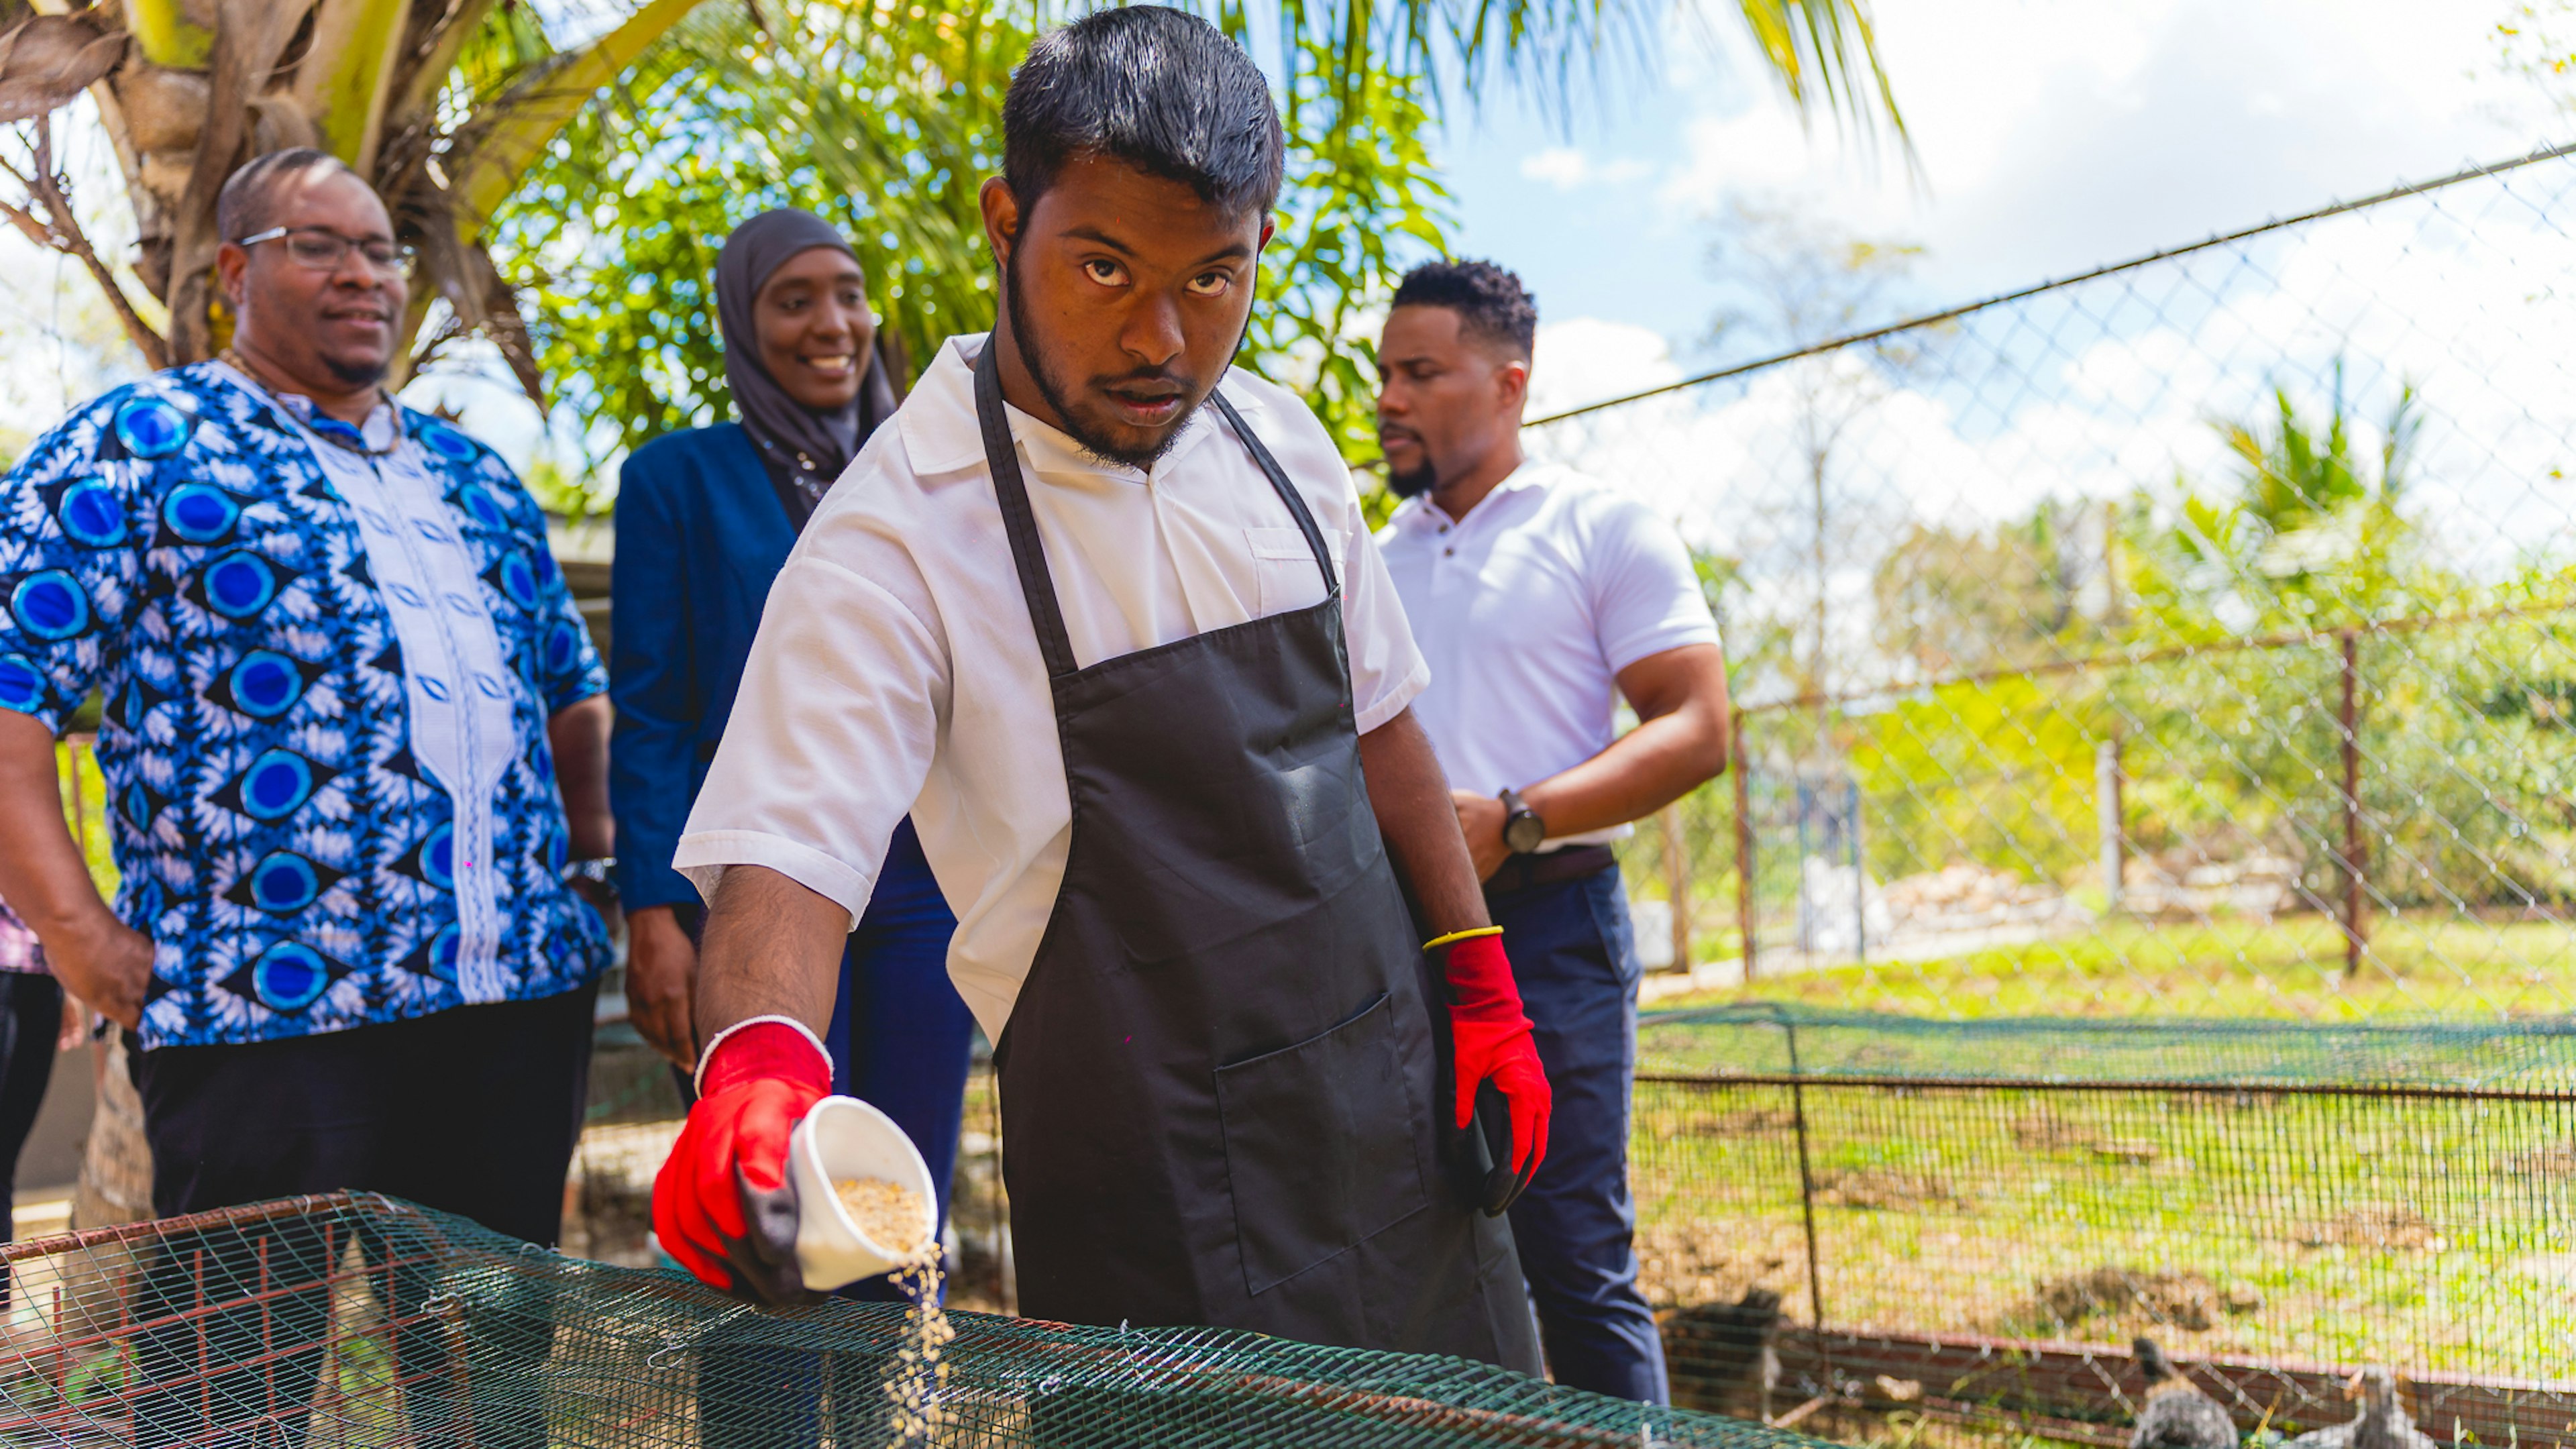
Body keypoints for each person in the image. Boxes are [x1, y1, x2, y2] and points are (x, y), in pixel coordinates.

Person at [652, 5, 1548, 1373]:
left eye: (1214, 279)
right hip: (1155, 1176)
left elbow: (1382, 723)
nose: (1163, 340)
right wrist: (761, 1073)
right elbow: (789, 857)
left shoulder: (1280, 443)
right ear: (1008, 222)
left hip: (1393, 1095)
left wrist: (1476, 971)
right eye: (1107, 267)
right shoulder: (897, 530)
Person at [0, 148, 611, 1445]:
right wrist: (72, 929)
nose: (362, 275)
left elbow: (573, 687)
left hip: (512, 1009)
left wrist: (596, 868)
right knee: (234, 1395)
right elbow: (9, 692)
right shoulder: (141, 443)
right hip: (265, 1018)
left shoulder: (477, 475)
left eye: (382, 251)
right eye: (319, 245)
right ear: (235, 270)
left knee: (492, 1393)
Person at [610, 209, 973, 1448]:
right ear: (744, 322)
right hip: (751, 884)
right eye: (793, 300)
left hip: (922, 885)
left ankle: (886, 1433)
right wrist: (653, 908)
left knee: (892, 1193)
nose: (830, 323)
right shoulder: (677, 480)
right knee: (764, 1199)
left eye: (848, 293)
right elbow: (652, 705)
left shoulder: (933, 470)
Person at [1373, 259, 1732, 1403]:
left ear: (1509, 383)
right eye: (1385, 372)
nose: (1390, 397)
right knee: (1423, 1253)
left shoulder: (1600, 528)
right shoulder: (1372, 560)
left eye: (1421, 372)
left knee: (1573, 1250)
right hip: (1403, 942)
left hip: (1552, 927)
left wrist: (1520, 821)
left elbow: (1697, 724)